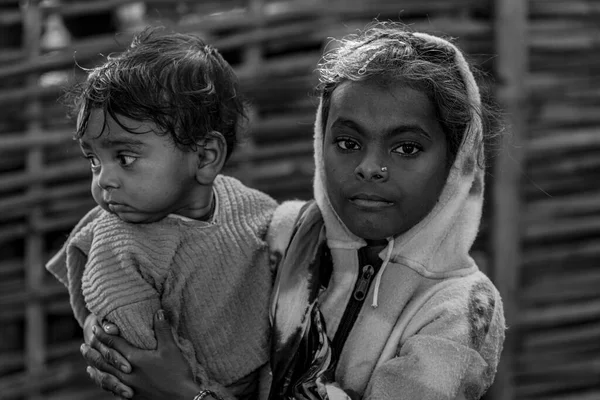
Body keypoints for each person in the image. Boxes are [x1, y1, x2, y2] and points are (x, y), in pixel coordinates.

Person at [80, 21, 506, 400]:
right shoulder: (287, 236)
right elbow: (172, 242)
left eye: (407, 147)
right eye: (347, 142)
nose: (369, 168)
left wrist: (185, 395)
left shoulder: (458, 311)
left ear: (457, 164)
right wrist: (109, 329)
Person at [46, 27, 279, 400]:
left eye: (125, 157)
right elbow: (140, 357)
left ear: (204, 157)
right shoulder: (118, 248)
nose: (104, 179)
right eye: (94, 160)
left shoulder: (246, 205)